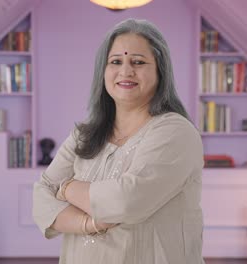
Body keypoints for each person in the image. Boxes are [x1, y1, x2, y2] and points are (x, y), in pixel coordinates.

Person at [33, 18, 205, 264]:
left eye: (138, 62)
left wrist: (67, 188)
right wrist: (88, 223)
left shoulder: (175, 132)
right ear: (103, 72)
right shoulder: (85, 134)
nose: (125, 71)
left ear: (160, 71)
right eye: (116, 62)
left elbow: (127, 201)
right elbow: (41, 195)